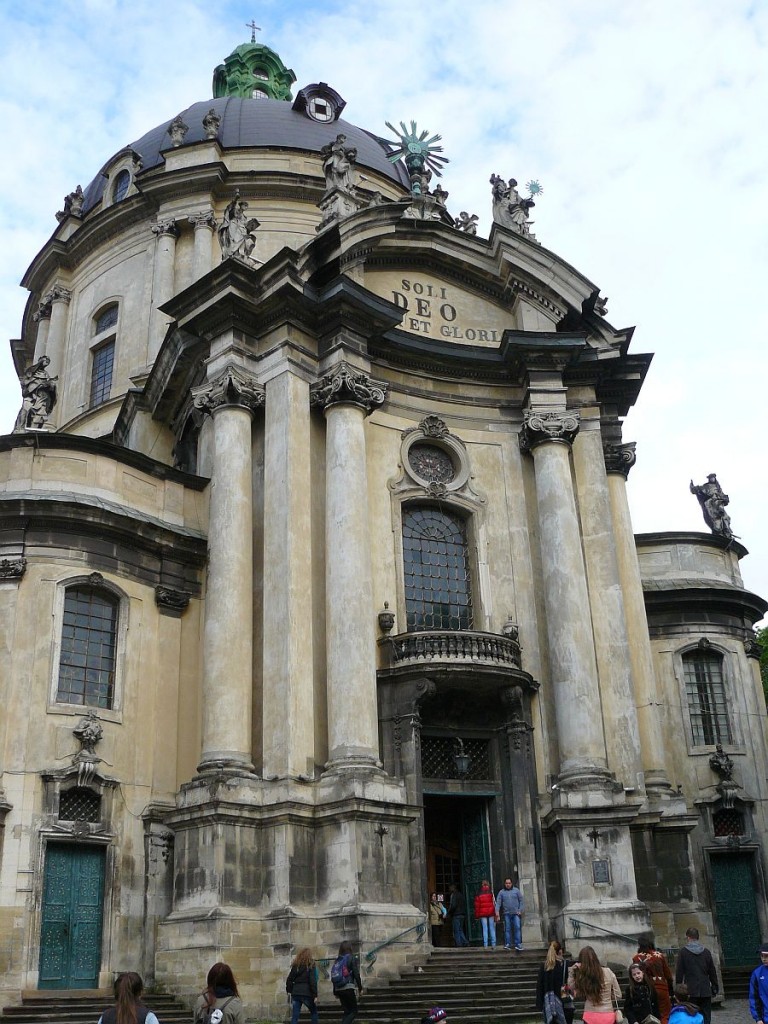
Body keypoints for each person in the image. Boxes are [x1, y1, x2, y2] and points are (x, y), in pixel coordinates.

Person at [568, 945, 622, 1024]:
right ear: (596, 958)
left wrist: (571, 972)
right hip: (608, 1015)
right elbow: (618, 995)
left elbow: (572, 989)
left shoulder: (583, 976)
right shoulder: (608, 972)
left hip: (589, 1016)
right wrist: (607, 998)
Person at [674, 928, 718, 1024]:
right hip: (705, 989)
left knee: (692, 1016)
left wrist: (678, 989)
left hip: (690, 990)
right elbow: (712, 971)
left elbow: (679, 972)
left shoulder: (683, 952)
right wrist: (715, 986)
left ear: (688, 937)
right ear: (698, 937)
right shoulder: (706, 952)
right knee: (706, 1017)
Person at [633, 935, 674, 1024]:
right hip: (662, 988)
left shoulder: (636, 958)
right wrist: (671, 989)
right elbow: (668, 975)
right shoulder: (659, 955)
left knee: (650, 1017)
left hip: (647, 990)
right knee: (665, 1016)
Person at [536, 940, 574, 1024]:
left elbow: (540, 986)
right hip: (564, 1003)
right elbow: (570, 983)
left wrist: (540, 1003)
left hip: (549, 1005)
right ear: (560, 951)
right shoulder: (564, 965)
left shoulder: (544, 966)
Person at [331, 940, 363, 1024]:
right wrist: (360, 988)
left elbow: (334, 975)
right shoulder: (351, 957)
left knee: (347, 1012)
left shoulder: (338, 960)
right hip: (348, 987)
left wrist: (335, 991)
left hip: (339, 989)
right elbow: (356, 974)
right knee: (354, 1011)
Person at [286, 947, 318, 1024]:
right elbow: (312, 981)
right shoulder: (311, 964)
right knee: (313, 1012)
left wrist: (289, 990)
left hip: (296, 992)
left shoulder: (296, 965)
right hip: (307, 993)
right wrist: (315, 995)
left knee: (295, 1016)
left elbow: (289, 979)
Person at [496, 877, 524, 951]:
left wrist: (520, 910)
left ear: (511, 883)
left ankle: (518, 944)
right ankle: (508, 944)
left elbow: (521, 901)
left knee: (517, 927)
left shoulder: (516, 891)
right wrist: (497, 912)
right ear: (504, 884)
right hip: (506, 914)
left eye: (509, 883)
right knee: (507, 929)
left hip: (516, 913)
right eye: (506, 883)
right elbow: (498, 903)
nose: (508, 884)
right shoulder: (501, 892)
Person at [473, 879, 497, 949]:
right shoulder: (491, 892)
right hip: (491, 912)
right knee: (492, 928)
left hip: (482, 913)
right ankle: (493, 944)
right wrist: (495, 913)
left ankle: (485, 945)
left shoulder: (479, 893)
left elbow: (477, 906)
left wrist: (477, 915)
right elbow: (494, 903)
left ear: (482, 885)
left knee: (485, 928)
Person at [748, 942, 768, 1024]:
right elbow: (754, 997)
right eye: (762, 956)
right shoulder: (757, 973)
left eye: (766, 956)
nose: (763, 959)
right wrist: (758, 1018)